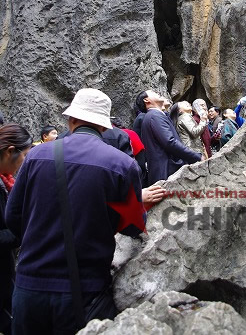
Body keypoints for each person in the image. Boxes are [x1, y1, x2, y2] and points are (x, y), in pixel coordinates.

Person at [6, 88, 145, 335]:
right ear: (104, 127)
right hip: (84, 289)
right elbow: (133, 226)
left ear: (70, 120)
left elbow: (13, 216)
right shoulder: (123, 165)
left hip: (29, 285)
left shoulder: (36, 155)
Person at [0, 124, 32, 335]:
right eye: (24, 157)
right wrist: (26, 229)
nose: (23, 164)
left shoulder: (5, 180)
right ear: (11, 151)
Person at [138, 90, 202, 185]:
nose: (157, 92)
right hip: (166, 171)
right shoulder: (154, 116)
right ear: (146, 100)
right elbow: (169, 142)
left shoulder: (154, 115)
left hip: (165, 170)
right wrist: (196, 156)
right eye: (153, 92)